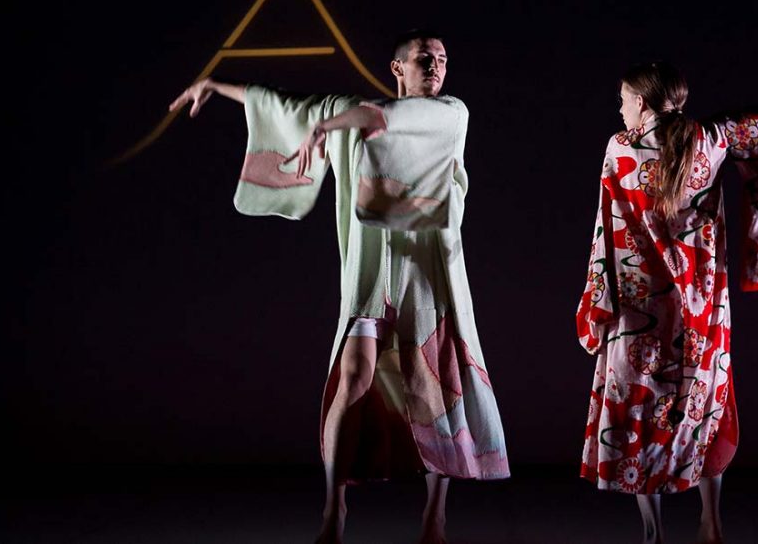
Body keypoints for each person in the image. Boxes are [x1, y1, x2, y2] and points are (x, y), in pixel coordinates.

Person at [169, 30, 509, 544]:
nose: (436, 67)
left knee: (433, 387)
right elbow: (283, 107)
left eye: (442, 59)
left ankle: (434, 518)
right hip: (371, 270)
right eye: (424, 59)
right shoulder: (355, 108)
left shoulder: (450, 113)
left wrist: (327, 126)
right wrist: (217, 85)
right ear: (397, 68)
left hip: (427, 271)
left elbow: (380, 120)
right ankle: (334, 511)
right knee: (352, 379)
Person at [575, 63, 758, 544]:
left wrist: (597, 305)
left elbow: (605, 234)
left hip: (639, 314)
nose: (622, 108)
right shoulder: (710, 139)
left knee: (639, 415)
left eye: (625, 100)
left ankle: (653, 533)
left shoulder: (620, 148)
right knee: (705, 408)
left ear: (644, 104)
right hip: (702, 312)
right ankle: (711, 521)